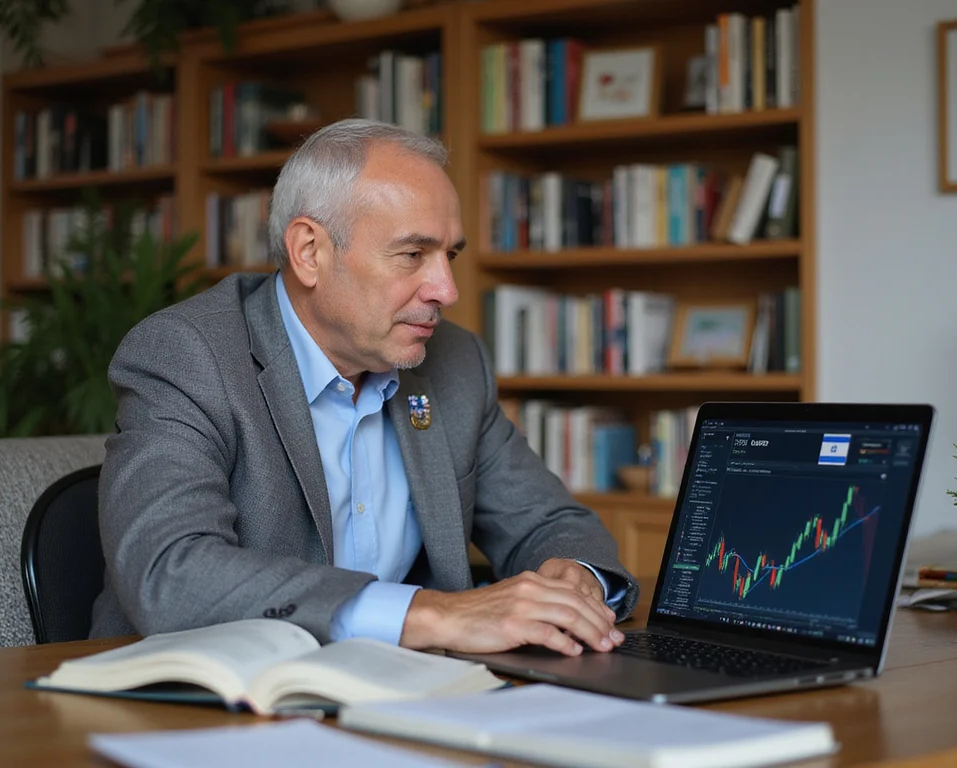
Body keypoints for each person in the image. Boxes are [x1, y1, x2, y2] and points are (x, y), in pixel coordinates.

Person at [91, 119, 638, 657]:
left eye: (449, 255)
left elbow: (549, 521)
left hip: (400, 693)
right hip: (195, 702)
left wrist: (576, 582)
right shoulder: (188, 354)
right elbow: (169, 572)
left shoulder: (454, 362)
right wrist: (433, 614)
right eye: (412, 255)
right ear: (309, 251)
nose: (445, 289)